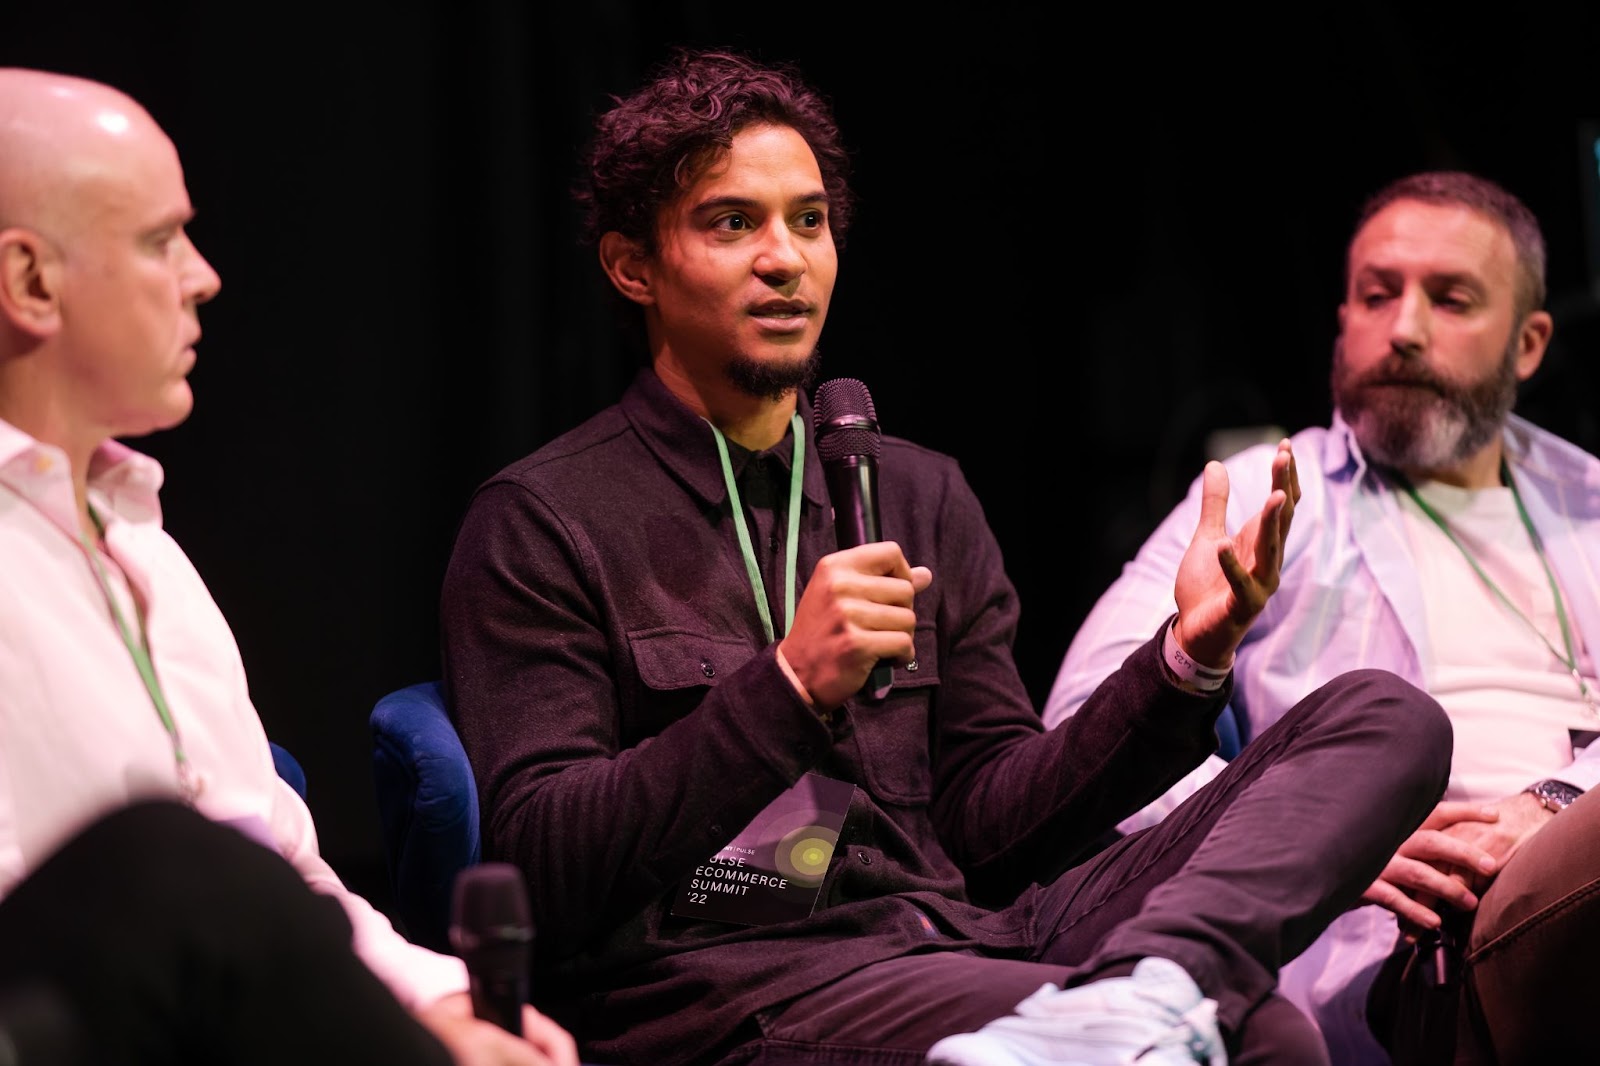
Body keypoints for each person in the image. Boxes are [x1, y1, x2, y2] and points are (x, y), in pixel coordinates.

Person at [439, 47, 1453, 1066]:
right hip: (739, 985)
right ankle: (1149, 1003)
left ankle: (1163, 981)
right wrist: (788, 687)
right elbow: (540, 872)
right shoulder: (545, 519)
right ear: (632, 267)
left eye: (808, 221)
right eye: (733, 223)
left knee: (1386, 718)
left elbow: (992, 828)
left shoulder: (918, 494)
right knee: (1262, 1037)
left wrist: (1183, 657)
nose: (786, 259)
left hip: (963, 931)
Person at [0, 67, 578, 1066]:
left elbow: (283, 872)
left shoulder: (148, 553)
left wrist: (438, 1004)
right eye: (159, 240)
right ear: (31, 283)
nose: (201, 276)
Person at [1044, 170, 1600, 1063]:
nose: (1404, 329)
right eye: (1377, 296)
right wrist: (1313, 842)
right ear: (1343, 320)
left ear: (1529, 344)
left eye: (1450, 300)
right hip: (1412, 952)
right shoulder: (1268, 492)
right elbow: (1079, 723)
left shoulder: (1588, 498)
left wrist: (1558, 805)